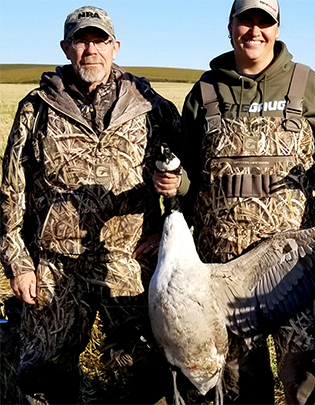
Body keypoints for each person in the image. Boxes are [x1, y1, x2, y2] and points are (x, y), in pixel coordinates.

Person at [153, 0, 315, 402]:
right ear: (230, 26)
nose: (254, 31)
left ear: (278, 28)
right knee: (238, 383)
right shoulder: (206, 91)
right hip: (221, 277)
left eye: (264, 22)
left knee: (307, 377)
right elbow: (191, 176)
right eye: (245, 21)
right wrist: (174, 182)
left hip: (292, 270)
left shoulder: (306, 84)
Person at [0, 6, 182, 404]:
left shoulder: (150, 106)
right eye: (81, 40)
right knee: (41, 376)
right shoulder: (37, 108)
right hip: (54, 264)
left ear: (115, 47)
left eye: (99, 40)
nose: (91, 50)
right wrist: (19, 263)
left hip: (129, 260)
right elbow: (11, 193)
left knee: (144, 367)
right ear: (66, 48)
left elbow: (187, 176)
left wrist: (165, 232)